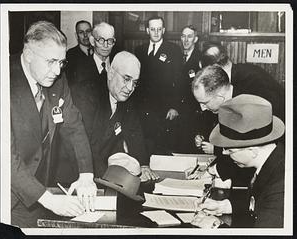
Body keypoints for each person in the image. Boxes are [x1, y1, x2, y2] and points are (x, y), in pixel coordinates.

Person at [10, 21, 97, 228]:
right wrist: (50, 200)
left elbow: (74, 125)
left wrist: (86, 175)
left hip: (38, 190)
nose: (57, 70)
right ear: (29, 55)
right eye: (51, 61)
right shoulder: (5, 81)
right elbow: (6, 159)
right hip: (8, 195)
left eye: (61, 62)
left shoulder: (57, 80)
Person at [194, 94, 285, 228]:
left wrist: (216, 227)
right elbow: (260, 203)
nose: (224, 153)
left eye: (230, 151)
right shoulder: (274, 160)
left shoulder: (281, 188)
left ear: (253, 151)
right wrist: (224, 206)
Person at [67, 51, 159, 181]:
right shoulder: (86, 95)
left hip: (100, 170)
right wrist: (110, 179)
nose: (129, 88)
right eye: (126, 79)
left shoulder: (124, 97)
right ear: (110, 74)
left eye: (134, 83)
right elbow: (85, 145)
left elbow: (135, 133)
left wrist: (142, 165)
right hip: (74, 173)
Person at [134, 16, 182, 155]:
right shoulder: (140, 50)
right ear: (147, 30)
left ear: (164, 30)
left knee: (162, 148)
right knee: (145, 145)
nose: (156, 32)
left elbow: (179, 81)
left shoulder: (173, 50)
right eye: (153, 29)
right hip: (143, 108)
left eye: (159, 29)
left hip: (164, 110)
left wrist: (174, 106)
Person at [177, 25, 214, 153]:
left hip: (196, 113)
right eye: (183, 36)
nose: (186, 40)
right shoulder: (176, 57)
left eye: (190, 36)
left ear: (196, 39)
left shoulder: (201, 59)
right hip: (180, 111)